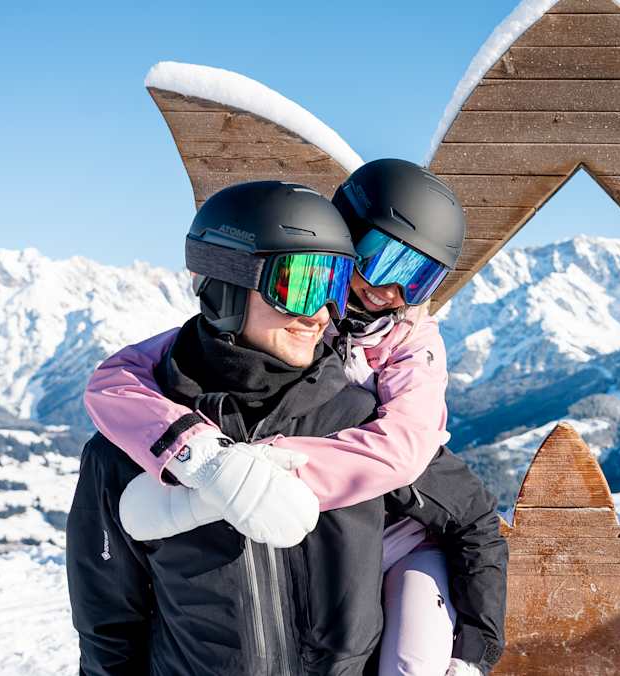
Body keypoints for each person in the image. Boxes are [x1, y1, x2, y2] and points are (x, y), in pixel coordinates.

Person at [67, 179, 505, 676]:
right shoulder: (128, 449)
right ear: (228, 281)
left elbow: (464, 512)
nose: (325, 314)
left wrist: (473, 651)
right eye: (303, 286)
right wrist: (203, 460)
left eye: (335, 285)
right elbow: (108, 626)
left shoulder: (356, 422)